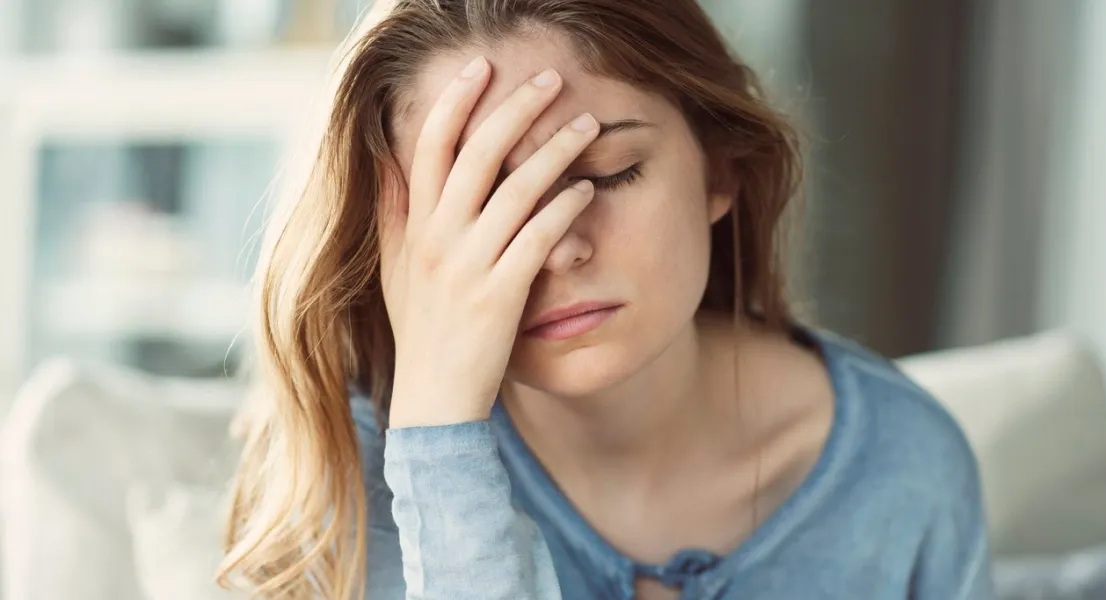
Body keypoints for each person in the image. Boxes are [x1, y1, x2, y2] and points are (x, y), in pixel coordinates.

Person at [218, 0, 995, 598]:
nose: (559, 247)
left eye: (612, 172)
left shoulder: (904, 470)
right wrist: (440, 442)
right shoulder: (350, 470)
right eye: (488, 202)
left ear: (719, 170)